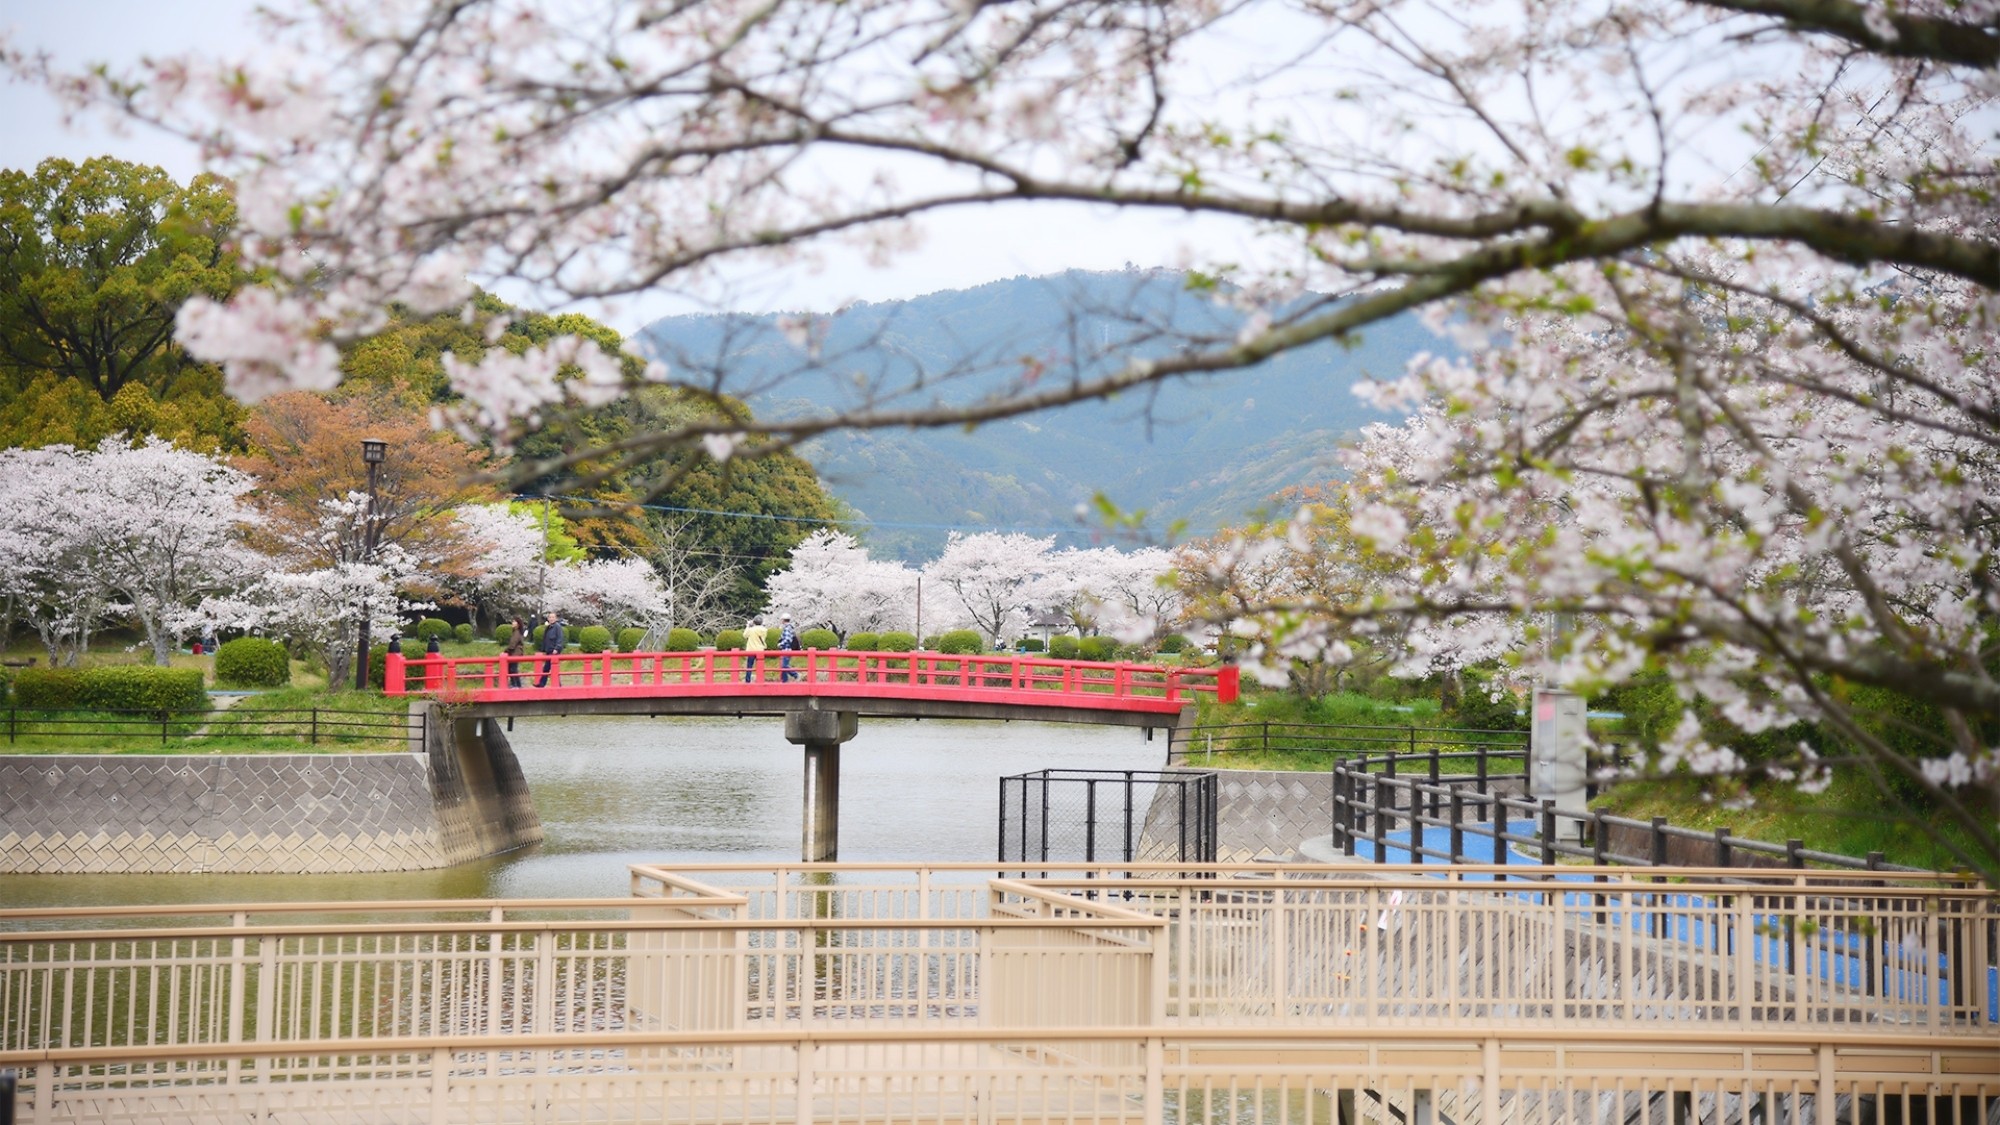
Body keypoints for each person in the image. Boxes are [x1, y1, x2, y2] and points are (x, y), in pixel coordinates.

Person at [535, 610, 565, 688]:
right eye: (550, 617)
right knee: (547, 668)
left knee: (552, 668)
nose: (551, 619)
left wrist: (557, 648)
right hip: (549, 650)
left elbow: (560, 638)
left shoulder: (557, 627)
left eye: (553, 617)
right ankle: (543, 684)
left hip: (554, 651)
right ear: (548, 619)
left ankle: (555, 685)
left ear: (556, 618)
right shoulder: (548, 627)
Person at [743, 616, 768, 683]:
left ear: (754, 622)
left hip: (751, 650)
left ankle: (747, 680)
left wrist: (748, 626)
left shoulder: (751, 630)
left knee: (749, 666)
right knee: (760, 666)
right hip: (760, 650)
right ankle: (760, 680)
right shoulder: (765, 630)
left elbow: (745, 635)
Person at [504, 617, 526, 688]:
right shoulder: (516, 632)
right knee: (512, 669)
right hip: (515, 653)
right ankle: (517, 685)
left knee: (512, 670)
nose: (512, 623)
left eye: (514, 621)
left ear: (518, 624)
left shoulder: (516, 633)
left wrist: (506, 650)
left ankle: (516, 685)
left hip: (515, 653)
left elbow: (512, 645)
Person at [777, 613, 800, 682]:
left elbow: (787, 639)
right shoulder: (790, 627)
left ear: (783, 620)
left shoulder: (787, 628)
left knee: (784, 665)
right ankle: (784, 680)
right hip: (787, 649)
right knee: (783, 665)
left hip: (786, 649)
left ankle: (795, 674)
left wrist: (780, 644)